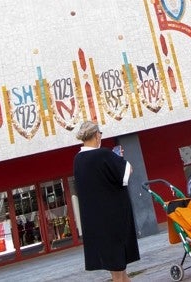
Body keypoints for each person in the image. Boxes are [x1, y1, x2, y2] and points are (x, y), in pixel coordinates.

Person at [72, 120, 139, 282]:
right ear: (96, 135)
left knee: (118, 271)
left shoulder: (78, 160)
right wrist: (118, 158)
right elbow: (128, 171)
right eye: (100, 133)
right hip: (114, 219)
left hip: (95, 222)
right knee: (118, 270)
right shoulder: (104, 154)